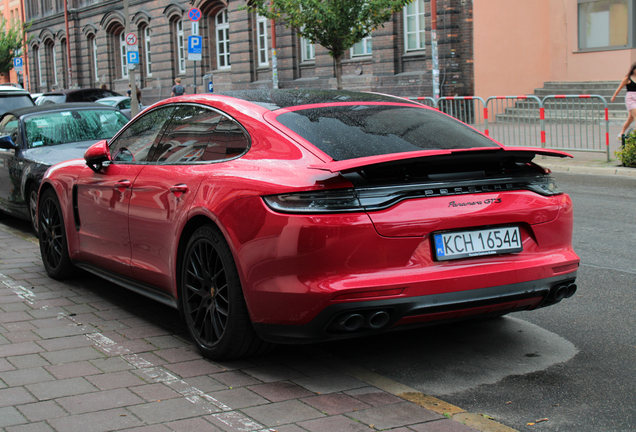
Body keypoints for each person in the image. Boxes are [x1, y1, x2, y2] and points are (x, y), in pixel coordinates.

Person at [611, 62, 636, 141]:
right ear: (633, 69)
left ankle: (621, 134)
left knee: (630, 119)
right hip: (630, 99)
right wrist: (614, 96)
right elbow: (619, 88)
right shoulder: (627, 79)